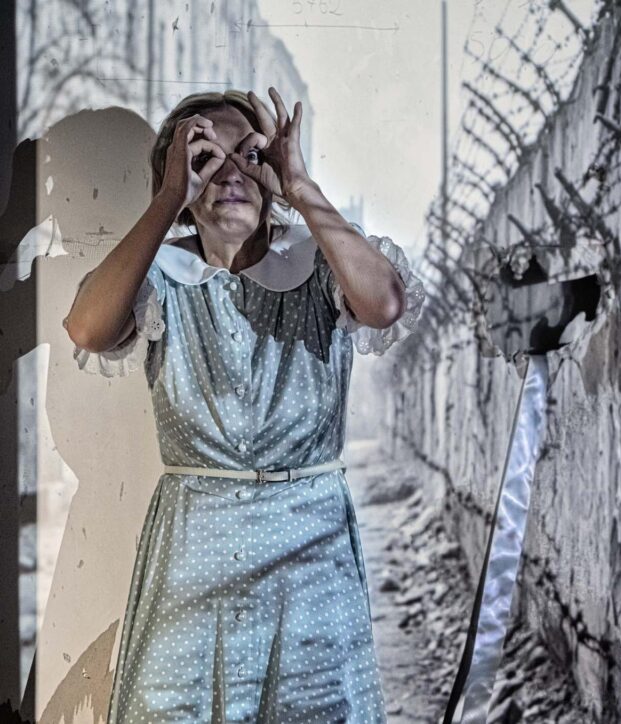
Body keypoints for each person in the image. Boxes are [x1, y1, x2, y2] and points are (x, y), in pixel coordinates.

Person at [62, 87, 425, 722]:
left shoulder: (319, 262)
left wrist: (301, 188)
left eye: (249, 155)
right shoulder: (159, 276)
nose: (231, 173)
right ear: (178, 176)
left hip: (310, 554)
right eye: (206, 158)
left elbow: (385, 304)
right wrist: (167, 201)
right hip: (191, 556)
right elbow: (89, 330)